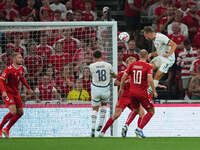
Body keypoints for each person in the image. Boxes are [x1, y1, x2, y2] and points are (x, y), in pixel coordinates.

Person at [99, 57, 144, 137]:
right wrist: (124, 82)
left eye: (133, 62)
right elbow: (115, 83)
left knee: (141, 113)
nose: (132, 63)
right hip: (124, 97)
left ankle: (137, 132)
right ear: (127, 64)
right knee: (116, 115)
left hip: (134, 98)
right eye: (130, 62)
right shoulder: (122, 73)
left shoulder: (138, 73)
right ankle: (102, 132)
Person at [119, 49, 157, 138]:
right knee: (151, 111)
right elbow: (150, 79)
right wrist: (154, 91)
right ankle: (139, 129)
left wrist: (121, 88)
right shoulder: (148, 66)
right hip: (142, 93)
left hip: (132, 93)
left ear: (139, 56)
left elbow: (124, 77)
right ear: (147, 56)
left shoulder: (132, 65)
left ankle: (126, 125)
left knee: (135, 110)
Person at [0, 52, 33, 138]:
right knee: (13, 112)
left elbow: (22, 78)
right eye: (19, 58)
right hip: (8, 93)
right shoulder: (9, 69)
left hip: (16, 93)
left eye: (21, 57)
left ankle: (6, 129)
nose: (21, 59)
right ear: (14, 59)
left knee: (20, 113)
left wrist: (28, 88)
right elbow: (1, 80)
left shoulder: (21, 68)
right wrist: (3, 91)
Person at [89, 50, 117, 137]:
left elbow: (93, 75)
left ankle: (93, 127)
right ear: (102, 56)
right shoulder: (108, 65)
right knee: (104, 105)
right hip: (105, 89)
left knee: (95, 109)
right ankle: (101, 123)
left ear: (93, 57)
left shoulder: (91, 66)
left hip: (96, 89)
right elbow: (114, 75)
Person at [143, 26, 177, 93]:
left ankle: (149, 91)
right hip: (161, 57)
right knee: (147, 68)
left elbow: (174, 45)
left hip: (168, 60)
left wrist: (169, 54)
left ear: (149, 33)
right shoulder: (154, 39)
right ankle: (145, 86)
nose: (145, 38)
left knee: (157, 75)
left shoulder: (161, 37)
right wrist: (151, 54)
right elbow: (159, 52)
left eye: (146, 36)